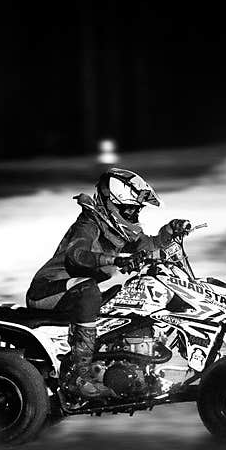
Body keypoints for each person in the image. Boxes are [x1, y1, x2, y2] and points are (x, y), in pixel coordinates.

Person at [26, 168, 190, 399]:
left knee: (131, 300)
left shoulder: (121, 232)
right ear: (111, 205)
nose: (134, 215)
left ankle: (133, 369)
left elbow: (149, 246)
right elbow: (77, 255)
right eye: (129, 210)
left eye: (136, 210)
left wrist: (169, 231)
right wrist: (116, 259)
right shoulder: (89, 223)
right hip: (48, 289)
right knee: (89, 291)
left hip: (77, 291)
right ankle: (78, 376)